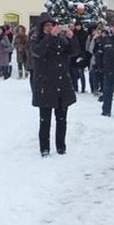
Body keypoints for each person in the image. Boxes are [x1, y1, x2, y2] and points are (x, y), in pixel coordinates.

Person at [29, 13, 79, 157]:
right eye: (46, 26)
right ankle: (44, 148)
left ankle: (61, 146)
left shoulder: (60, 40)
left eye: (52, 25)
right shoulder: (36, 39)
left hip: (61, 84)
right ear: (42, 28)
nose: (49, 28)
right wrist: (50, 37)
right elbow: (38, 52)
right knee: (45, 120)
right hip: (45, 85)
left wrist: (72, 38)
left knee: (62, 119)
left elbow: (73, 52)